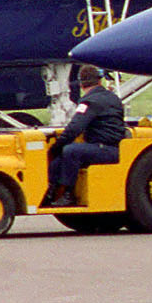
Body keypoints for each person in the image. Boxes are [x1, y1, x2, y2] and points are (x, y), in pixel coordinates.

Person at [42, 65, 128, 207]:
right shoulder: (112, 98)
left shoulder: (89, 101)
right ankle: (50, 192)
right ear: (99, 82)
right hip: (115, 148)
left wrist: (56, 147)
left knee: (71, 151)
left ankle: (68, 195)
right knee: (60, 159)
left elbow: (74, 128)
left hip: (105, 149)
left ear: (81, 84)